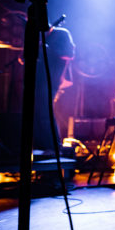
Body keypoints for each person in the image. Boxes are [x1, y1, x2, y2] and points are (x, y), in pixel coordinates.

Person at [33, 18, 75, 156]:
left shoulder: (61, 33)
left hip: (52, 78)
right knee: (38, 113)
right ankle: (42, 146)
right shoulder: (41, 37)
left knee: (45, 113)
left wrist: (46, 47)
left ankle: (54, 147)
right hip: (39, 79)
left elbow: (68, 54)